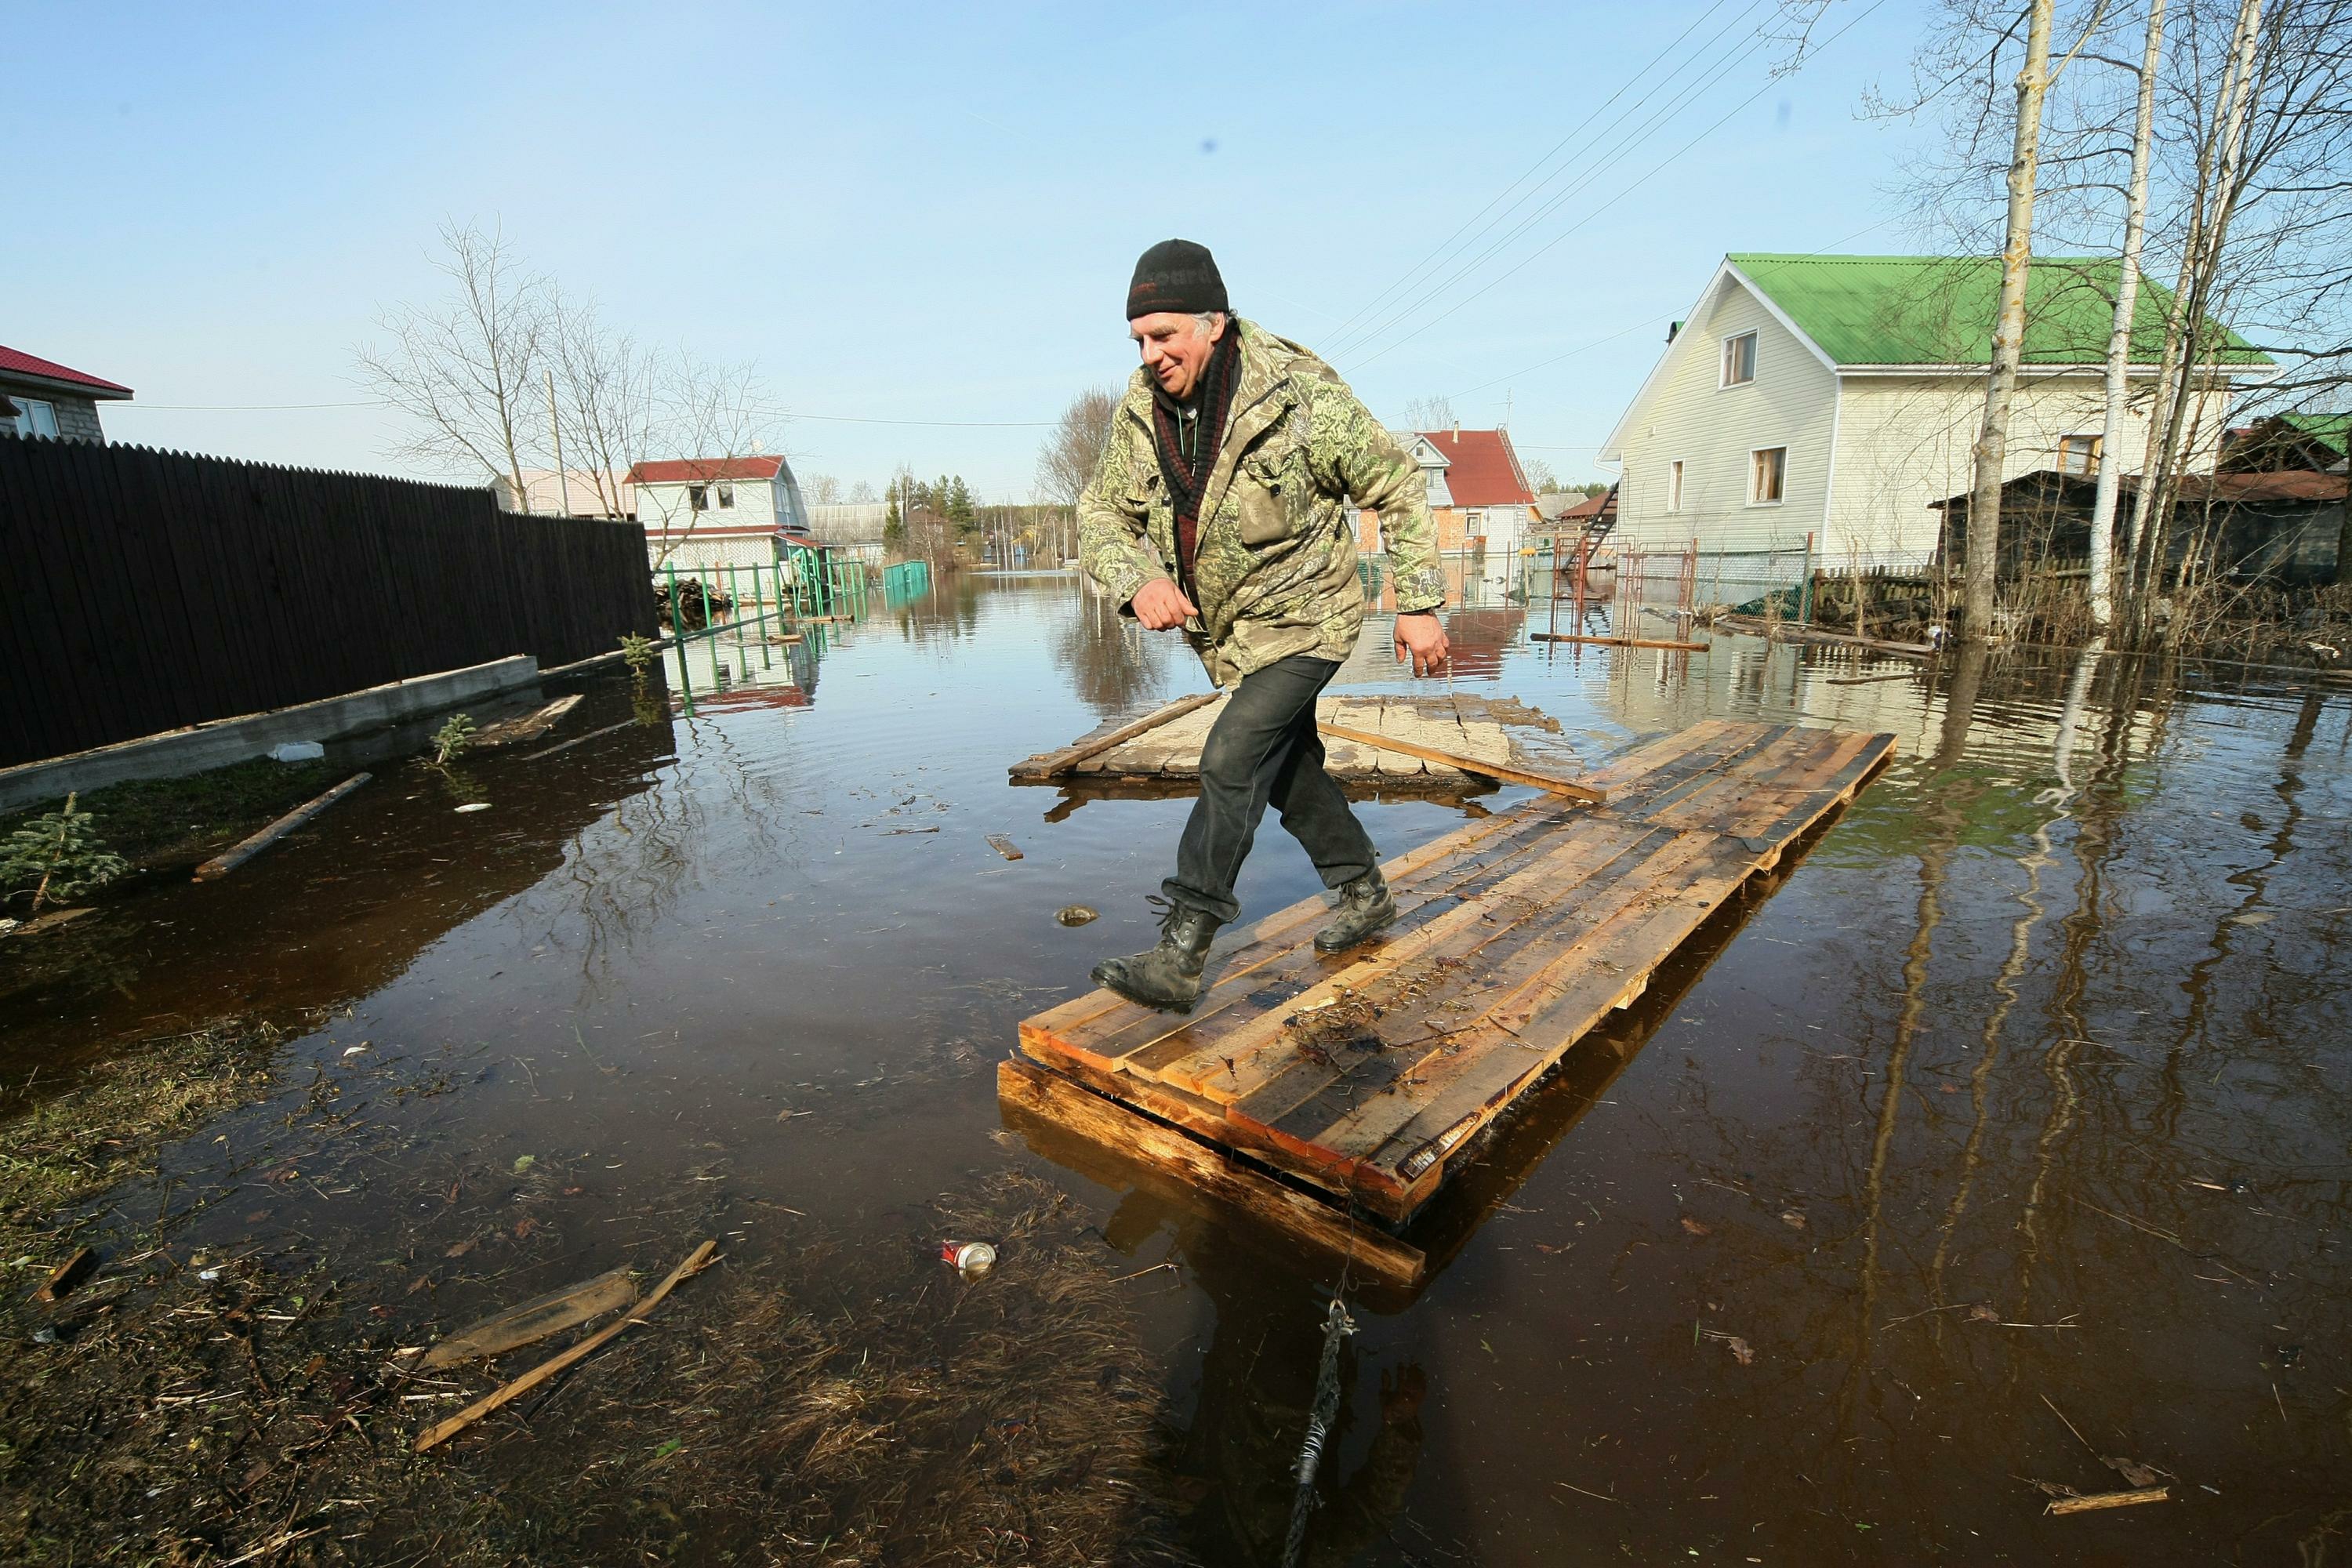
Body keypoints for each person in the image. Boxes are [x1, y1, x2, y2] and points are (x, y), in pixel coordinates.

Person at [1077, 239, 1449, 1012]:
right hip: (1231, 634)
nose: (1151, 355)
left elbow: (1399, 485)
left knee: (1231, 755)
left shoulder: (1298, 397)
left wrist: (1416, 602)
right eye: (1139, 340)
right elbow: (1099, 509)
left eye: (1165, 335)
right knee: (1287, 769)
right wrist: (1139, 576)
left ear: (1213, 321)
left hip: (1310, 617)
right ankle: (1366, 891)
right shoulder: (1143, 411)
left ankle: (1181, 952)